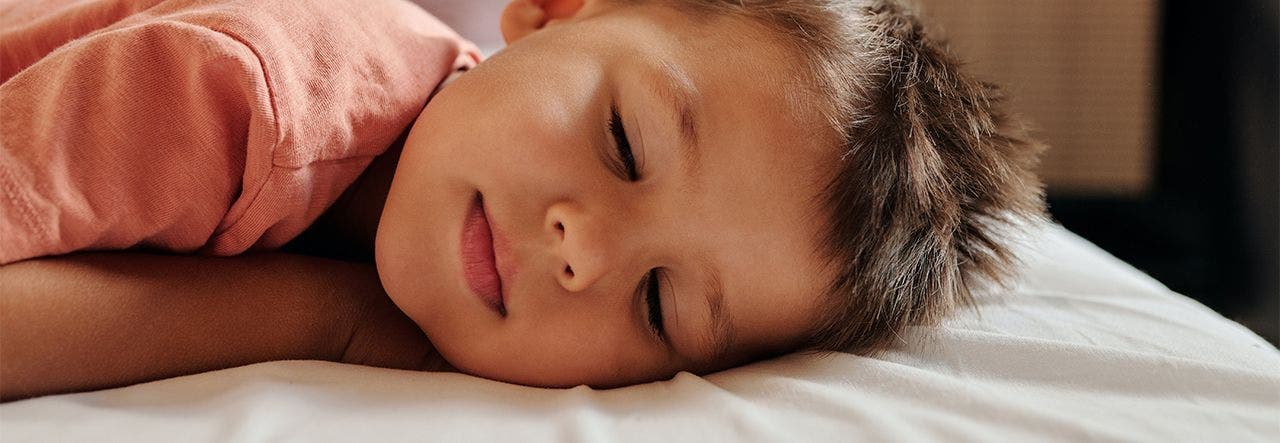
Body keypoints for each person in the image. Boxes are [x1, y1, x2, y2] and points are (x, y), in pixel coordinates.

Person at [0, 0, 1045, 400]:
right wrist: (319, 314)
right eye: (624, 142)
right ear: (550, 14)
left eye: (656, 306)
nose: (582, 248)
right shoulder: (253, 88)